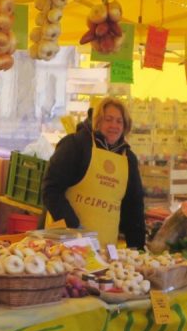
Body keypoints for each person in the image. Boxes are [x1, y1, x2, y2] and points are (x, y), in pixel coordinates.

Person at [42, 97, 146, 249]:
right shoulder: (75, 145)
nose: (114, 126)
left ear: (125, 126)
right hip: (66, 245)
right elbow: (51, 190)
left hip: (106, 249)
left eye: (119, 121)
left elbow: (134, 207)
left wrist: (138, 248)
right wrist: (75, 228)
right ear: (97, 121)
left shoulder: (128, 159)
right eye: (108, 119)